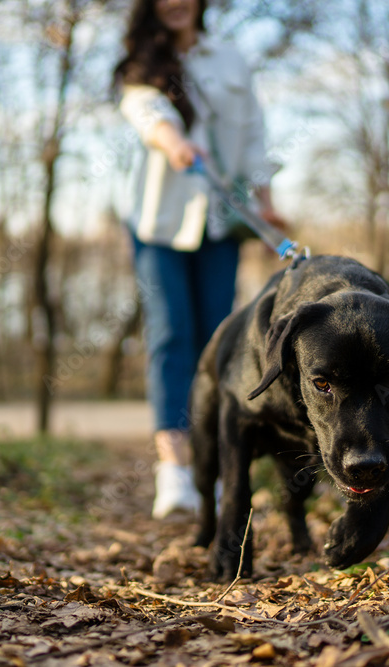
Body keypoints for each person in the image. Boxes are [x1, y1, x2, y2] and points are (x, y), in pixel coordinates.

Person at [113, 0, 286, 518]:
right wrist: (172, 142)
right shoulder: (140, 63)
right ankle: (174, 471)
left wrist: (267, 202)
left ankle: (211, 469)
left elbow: (254, 135)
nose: (174, 4)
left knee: (219, 342)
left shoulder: (231, 59)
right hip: (158, 223)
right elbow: (147, 113)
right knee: (171, 335)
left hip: (222, 222)